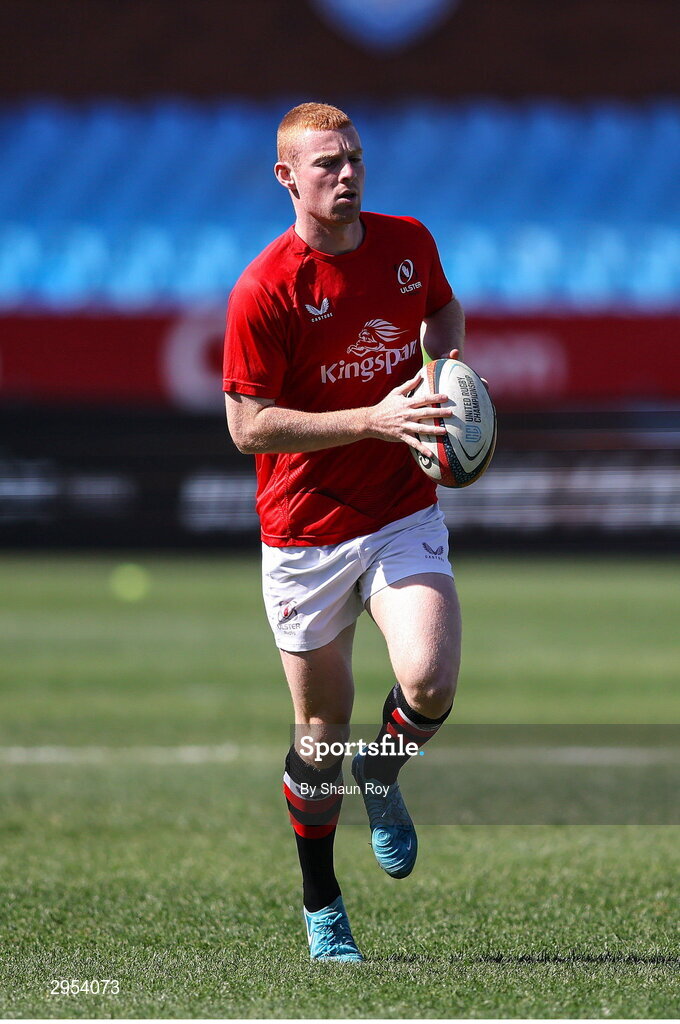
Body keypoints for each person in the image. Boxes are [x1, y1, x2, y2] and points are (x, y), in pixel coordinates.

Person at [223, 102, 466, 962]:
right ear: (287, 177)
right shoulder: (265, 289)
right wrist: (373, 417)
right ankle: (321, 900)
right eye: (328, 164)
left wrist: (445, 383)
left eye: (355, 158)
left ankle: (386, 768)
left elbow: (443, 312)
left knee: (430, 681)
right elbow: (248, 429)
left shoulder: (408, 244)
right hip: (304, 534)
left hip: (400, 508)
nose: (349, 175)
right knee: (319, 740)